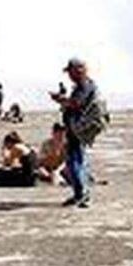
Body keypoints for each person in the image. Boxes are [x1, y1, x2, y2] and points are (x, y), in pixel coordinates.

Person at [50, 57, 99, 208]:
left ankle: (82, 195)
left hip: (78, 129)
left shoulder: (84, 85)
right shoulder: (84, 85)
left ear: (79, 70)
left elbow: (76, 104)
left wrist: (60, 100)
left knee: (75, 163)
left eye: (71, 71)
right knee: (76, 161)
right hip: (76, 128)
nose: (69, 75)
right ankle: (80, 194)